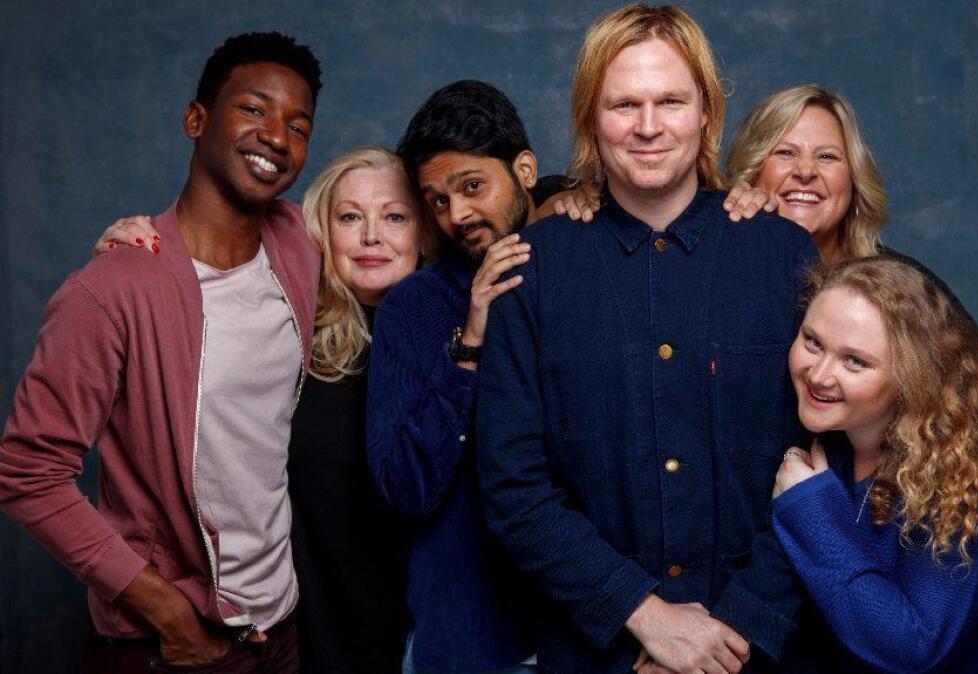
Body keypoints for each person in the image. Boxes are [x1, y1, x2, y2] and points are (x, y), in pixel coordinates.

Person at [475, 6, 820, 673]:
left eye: (671, 101)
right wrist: (648, 618)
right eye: (623, 104)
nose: (649, 126)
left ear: (706, 113)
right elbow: (513, 487)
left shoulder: (783, 254)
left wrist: (732, 632)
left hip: (762, 654)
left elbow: (826, 458)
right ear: (589, 119)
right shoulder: (534, 268)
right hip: (597, 654)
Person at [0, 31, 322, 673]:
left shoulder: (296, 244)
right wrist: (166, 612)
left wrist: (556, 200)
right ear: (195, 119)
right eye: (254, 109)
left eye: (298, 124)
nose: (277, 137)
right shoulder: (111, 289)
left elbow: (399, 237)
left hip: (279, 628)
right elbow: (27, 472)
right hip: (170, 646)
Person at [770, 256, 978, 672]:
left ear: (912, 375)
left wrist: (811, 512)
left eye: (855, 361)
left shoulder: (970, 461)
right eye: (813, 342)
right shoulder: (837, 437)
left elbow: (913, 646)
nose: (819, 375)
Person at [365, 80, 560, 674]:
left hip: (589, 640)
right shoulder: (415, 308)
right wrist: (470, 343)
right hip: (469, 645)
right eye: (437, 201)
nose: (458, 215)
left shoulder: (587, 269)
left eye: (472, 186)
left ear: (525, 170)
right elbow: (404, 486)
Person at [723, 85, 978, 435]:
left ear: (854, 180)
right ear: (752, 170)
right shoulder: (721, 268)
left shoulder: (896, 280)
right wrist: (728, 224)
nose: (806, 171)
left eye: (827, 157)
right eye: (785, 152)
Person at [286, 146, 425, 673]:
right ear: (323, 232)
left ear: (425, 230)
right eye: (350, 217)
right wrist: (147, 251)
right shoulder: (290, 337)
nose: (372, 236)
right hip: (316, 635)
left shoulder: (465, 337)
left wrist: (565, 194)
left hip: (429, 640)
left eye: (395, 216)